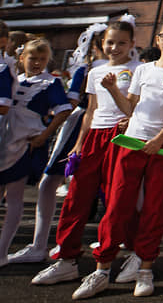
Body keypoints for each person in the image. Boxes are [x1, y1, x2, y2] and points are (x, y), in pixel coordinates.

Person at [43, 12, 163, 299]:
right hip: (132, 144)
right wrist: (113, 89)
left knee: (155, 208)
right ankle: (101, 270)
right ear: (157, 39)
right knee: (116, 205)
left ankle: (145, 269)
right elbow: (130, 110)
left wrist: (158, 140)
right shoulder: (144, 70)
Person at [28, 19, 139, 281]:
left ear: (132, 44)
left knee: (118, 200)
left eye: (122, 43)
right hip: (94, 137)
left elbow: (139, 108)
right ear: (102, 43)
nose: (115, 47)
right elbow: (90, 111)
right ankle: (67, 258)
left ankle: (115, 259)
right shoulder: (96, 71)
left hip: (122, 137)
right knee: (76, 197)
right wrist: (79, 144)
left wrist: (131, 121)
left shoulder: (139, 70)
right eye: (110, 42)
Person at [9, 22, 110, 264]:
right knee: (107, 187)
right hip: (109, 129)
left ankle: (41, 245)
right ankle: (109, 242)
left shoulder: (87, 70)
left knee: (50, 183)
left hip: (82, 127)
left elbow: (72, 104)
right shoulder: (125, 69)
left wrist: (44, 117)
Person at [0, 39, 73, 268]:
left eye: (42, 59)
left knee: (14, 197)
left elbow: (63, 111)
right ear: (22, 58)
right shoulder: (15, 79)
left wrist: (44, 135)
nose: (37, 63)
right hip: (5, 140)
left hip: (25, 145)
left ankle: (2, 251)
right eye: (32, 58)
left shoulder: (50, 83)